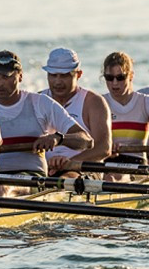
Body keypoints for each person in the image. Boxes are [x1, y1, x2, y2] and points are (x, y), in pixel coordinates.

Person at [0, 51, 90, 193]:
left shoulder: (41, 103)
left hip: (32, 177)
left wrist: (58, 138)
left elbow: (86, 140)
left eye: (5, 77)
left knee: (2, 188)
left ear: (20, 76)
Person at [101, 51, 149, 179]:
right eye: (109, 78)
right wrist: (104, 147)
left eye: (120, 77)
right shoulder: (99, 103)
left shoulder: (148, 103)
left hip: (136, 165)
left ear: (131, 76)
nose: (114, 83)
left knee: (115, 178)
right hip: (105, 164)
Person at [38, 47, 112, 176]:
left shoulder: (93, 102)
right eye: (53, 75)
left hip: (82, 170)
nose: (58, 82)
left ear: (78, 74)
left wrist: (68, 163)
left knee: (68, 178)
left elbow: (103, 148)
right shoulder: (37, 100)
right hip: (44, 169)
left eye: (65, 76)